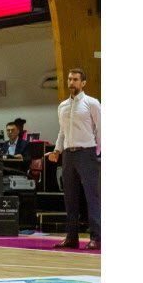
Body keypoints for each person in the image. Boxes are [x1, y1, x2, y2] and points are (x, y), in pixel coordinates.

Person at [48, 68, 101, 250]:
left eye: (75, 79)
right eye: (70, 79)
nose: (71, 82)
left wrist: (99, 152)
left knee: (92, 196)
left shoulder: (92, 103)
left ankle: (97, 237)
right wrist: (57, 150)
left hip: (87, 152)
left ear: (83, 83)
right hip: (69, 155)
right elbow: (62, 131)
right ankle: (72, 237)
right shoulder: (62, 106)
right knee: (69, 197)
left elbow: (101, 128)